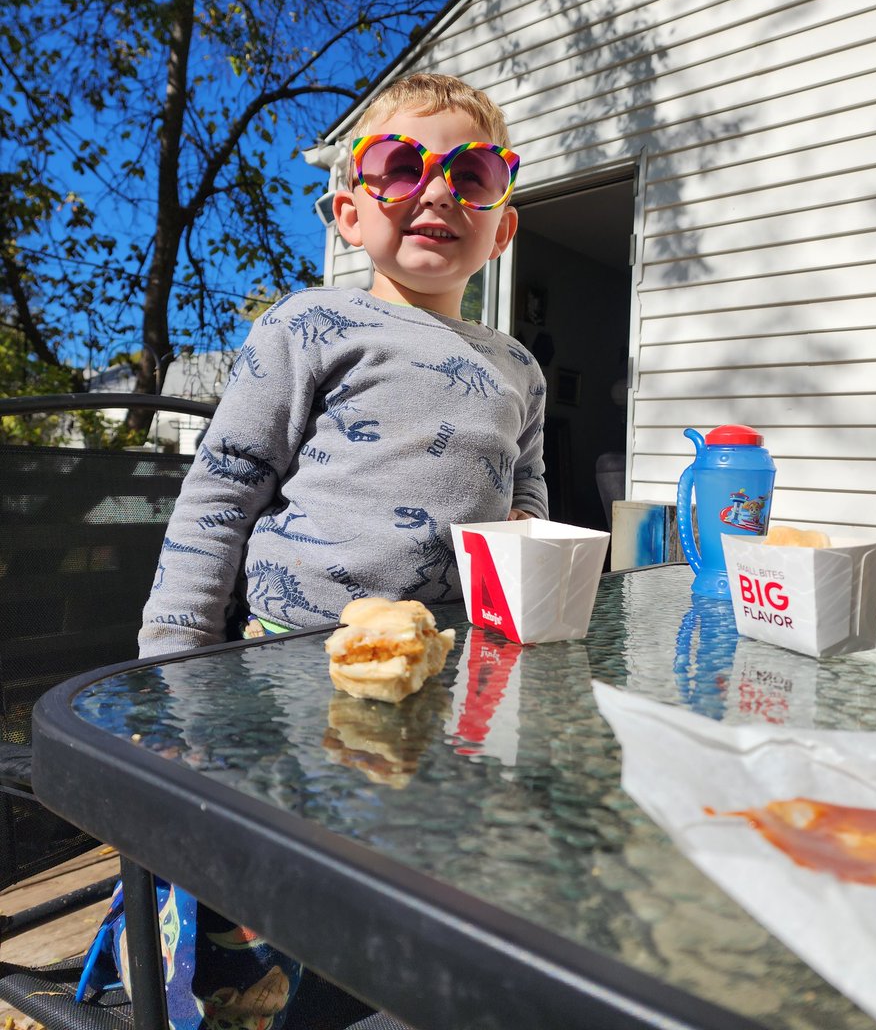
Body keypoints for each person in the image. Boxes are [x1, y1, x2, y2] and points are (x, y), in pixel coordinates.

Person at [81, 72, 548, 1028]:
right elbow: (219, 492)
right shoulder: (305, 326)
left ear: (502, 226)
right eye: (400, 166)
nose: (436, 193)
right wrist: (172, 659)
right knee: (252, 889)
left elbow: (526, 507)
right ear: (347, 213)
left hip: (443, 666)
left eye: (473, 174)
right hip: (282, 659)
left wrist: (528, 621)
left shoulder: (518, 368)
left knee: (406, 868)